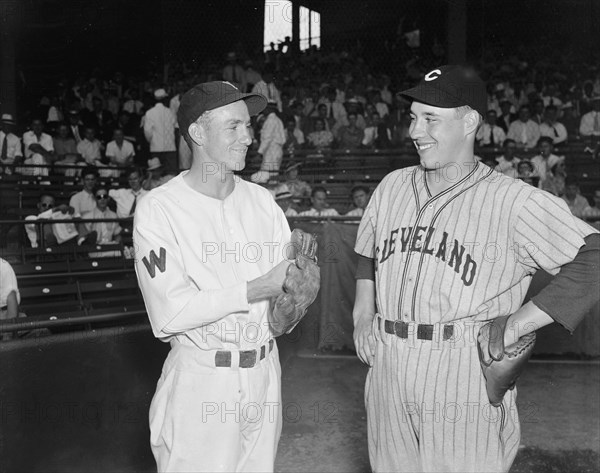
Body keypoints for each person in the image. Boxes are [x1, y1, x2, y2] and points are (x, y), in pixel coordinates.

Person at [352, 65, 599, 473]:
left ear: (469, 122)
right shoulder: (392, 185)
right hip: (388, 364)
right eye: (413, 117)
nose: (415, 131)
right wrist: (363, 314)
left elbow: (594, 257)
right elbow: (368, 253)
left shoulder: (514, 201)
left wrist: (520, 323)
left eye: (431, 118)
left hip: (461, 366)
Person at [134, 81, 296, 472]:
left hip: (264, 373)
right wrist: (259, 287)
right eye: (234, 127)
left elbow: (285, 296)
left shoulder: (262, 201)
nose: (249, 136)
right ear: (197, 132)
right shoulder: (160, 209)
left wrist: (292, 301)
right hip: (203, 380)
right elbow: (170, 314)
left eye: (248, 126)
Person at [143, 88, 177, 173]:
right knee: (171, 174)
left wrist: (152, 141)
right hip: (170, 148)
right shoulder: (171, 112)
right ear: (165, 99)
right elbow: (176, 128)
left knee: (157, 174)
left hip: (156, 147)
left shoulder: (149, 113)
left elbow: (147, 131)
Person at [251, 102, 286, 184]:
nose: (263, 110)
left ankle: (270, 193)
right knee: (272, 173)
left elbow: (267, 138)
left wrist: (259, 153)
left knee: (268, 174)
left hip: (272, 149)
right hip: (277, 149)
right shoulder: (278, 120)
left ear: (269, 109)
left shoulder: (270, 120)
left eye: (265, 108)